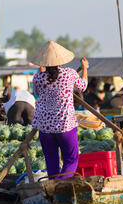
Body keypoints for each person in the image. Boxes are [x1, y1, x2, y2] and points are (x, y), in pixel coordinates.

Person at [30, 41, 89, 180]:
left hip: (45, 128)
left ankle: (53, 190)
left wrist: (42, 73)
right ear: (61, 61)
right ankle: (60, 186)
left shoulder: (37, 78)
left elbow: (38, 92)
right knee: (71, 160)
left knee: (51, 162)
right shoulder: (69, 74)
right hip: (65, 126)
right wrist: (85, 69)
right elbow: (83, 86)